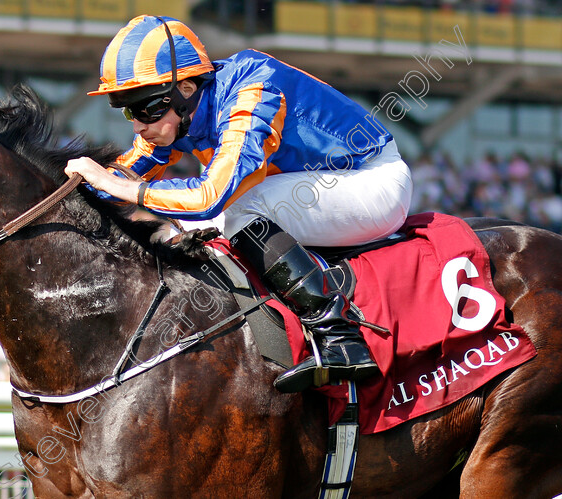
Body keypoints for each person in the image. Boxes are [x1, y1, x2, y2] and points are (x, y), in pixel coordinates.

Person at [65, 15, 413, 392]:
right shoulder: (175, 116)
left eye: (144, 108)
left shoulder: (252, 91)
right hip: (305, 189)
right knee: (191, 228)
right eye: (128, 111)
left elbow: (208, 197)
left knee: (235, 212)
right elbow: (120, 178)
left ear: (185, 87)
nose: (137, 125)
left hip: (370, 180)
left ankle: (337, 336)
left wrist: (117, 187)